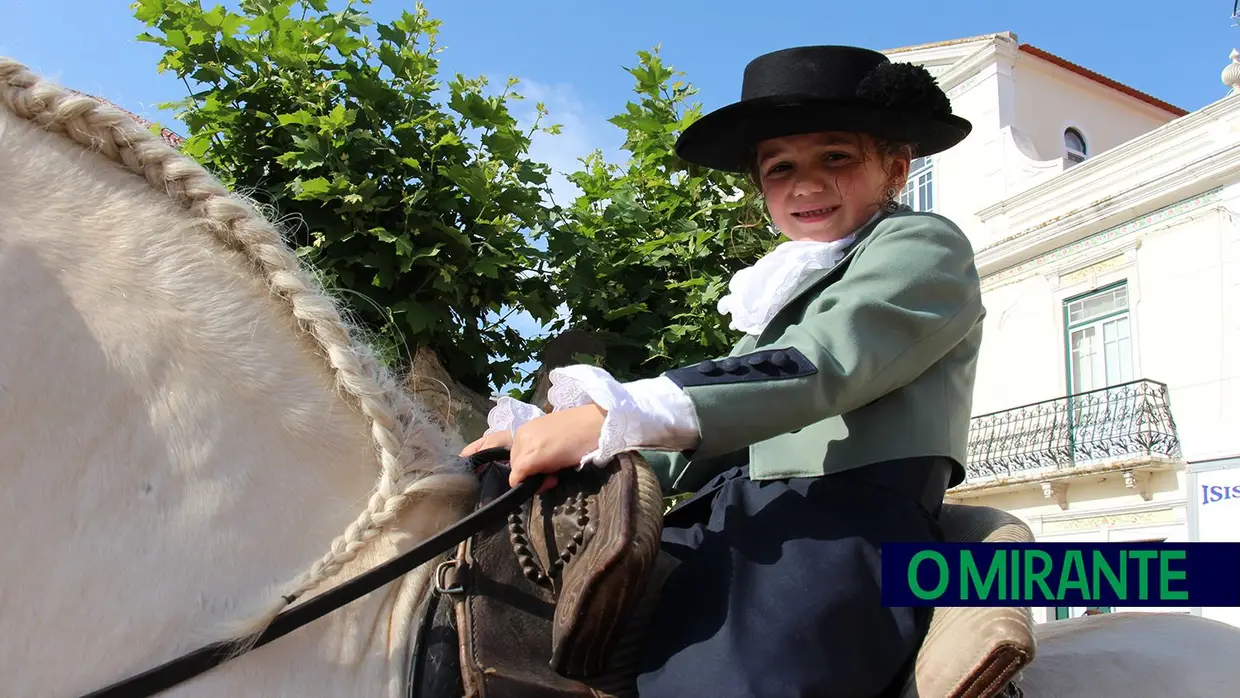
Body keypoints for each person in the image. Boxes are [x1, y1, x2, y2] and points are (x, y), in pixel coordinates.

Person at [462, 44, 984, 698]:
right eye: (780, 167)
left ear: (896, 168)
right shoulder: (780, 292)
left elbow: (821, 364)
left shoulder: (923, 245)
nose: (806, 183)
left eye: (837, 157)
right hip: (728, 521)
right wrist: (563, 456)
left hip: (841, 533)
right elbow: (699, 444)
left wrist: (603, 418)